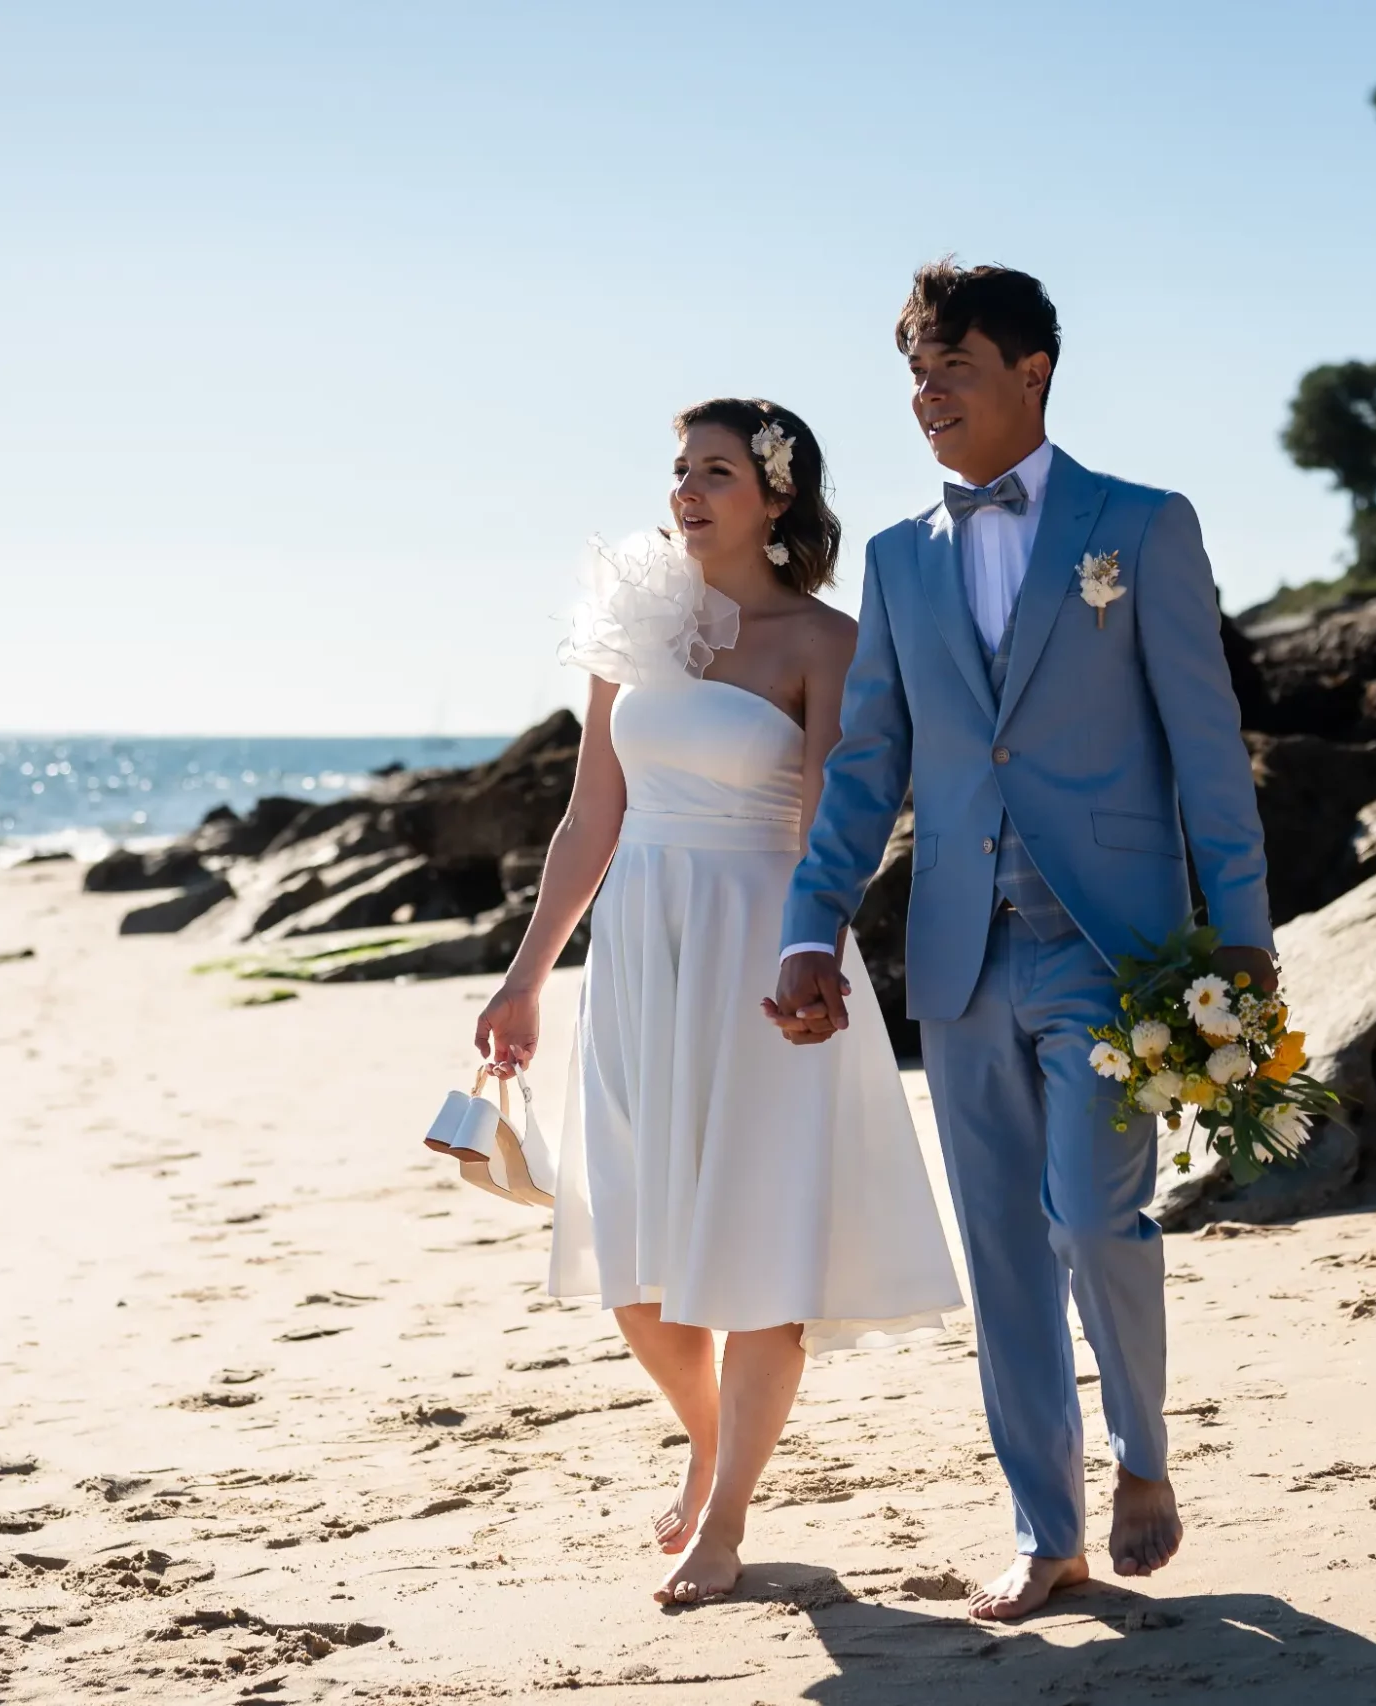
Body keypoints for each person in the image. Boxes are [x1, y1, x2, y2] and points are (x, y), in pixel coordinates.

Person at [768, 263, 1275, 1621]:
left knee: (1097, 1218)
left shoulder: (1143, 526)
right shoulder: (894, 558)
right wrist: (810, 924)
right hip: (958, 953)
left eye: (954, 369)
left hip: (1115, 951)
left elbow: (1209, 750)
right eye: (916, 375)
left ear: (1033, 370)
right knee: (1001, 1251)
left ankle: (1145, 1461)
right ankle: (1048, 1532)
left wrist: (1242, 940)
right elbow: (869, 767)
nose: (929, 397)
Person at [472, 398, 962, 1606]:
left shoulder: (823, 642)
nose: (687, 491)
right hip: (640, 950)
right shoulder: (633, 630)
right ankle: (709, 1440)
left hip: (763, 945)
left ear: (776, 495)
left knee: (757, 1239)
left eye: (717, 471)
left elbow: (828, 826)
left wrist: (814, 949)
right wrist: (527, 973)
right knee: (630, 1255)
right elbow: (592, 815)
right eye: (680, 470)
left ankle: (727, 1515)